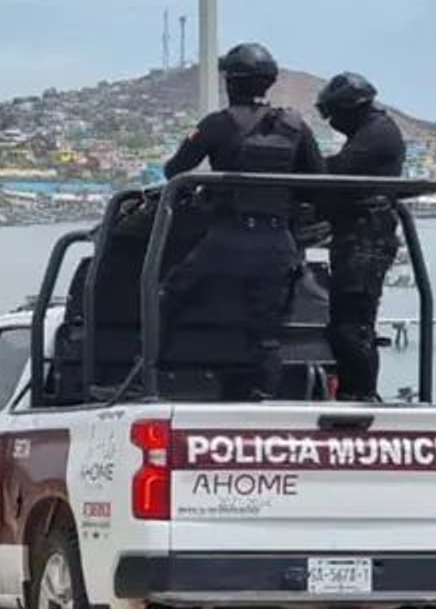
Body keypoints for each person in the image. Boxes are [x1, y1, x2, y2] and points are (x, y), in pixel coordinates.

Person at [161, 42, 325, 400]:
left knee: (168, 296)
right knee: (267, 331)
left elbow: (174, 169)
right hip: (277, 242)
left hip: (227, 240)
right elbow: (318, 181)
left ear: (230, 82)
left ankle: (149, 375)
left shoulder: (217, 124)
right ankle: (261, 395)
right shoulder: (296, 127)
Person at [314, 71, 406, 401]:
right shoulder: (370, 131)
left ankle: (361, 394)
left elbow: (335, 170)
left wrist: (301, 164)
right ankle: (354, 391)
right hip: (357, 236)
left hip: (367, 239)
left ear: (350, 107)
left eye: (333, 113)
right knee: (347, 322)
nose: (332, 121)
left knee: (353, 324)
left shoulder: (377, 133)